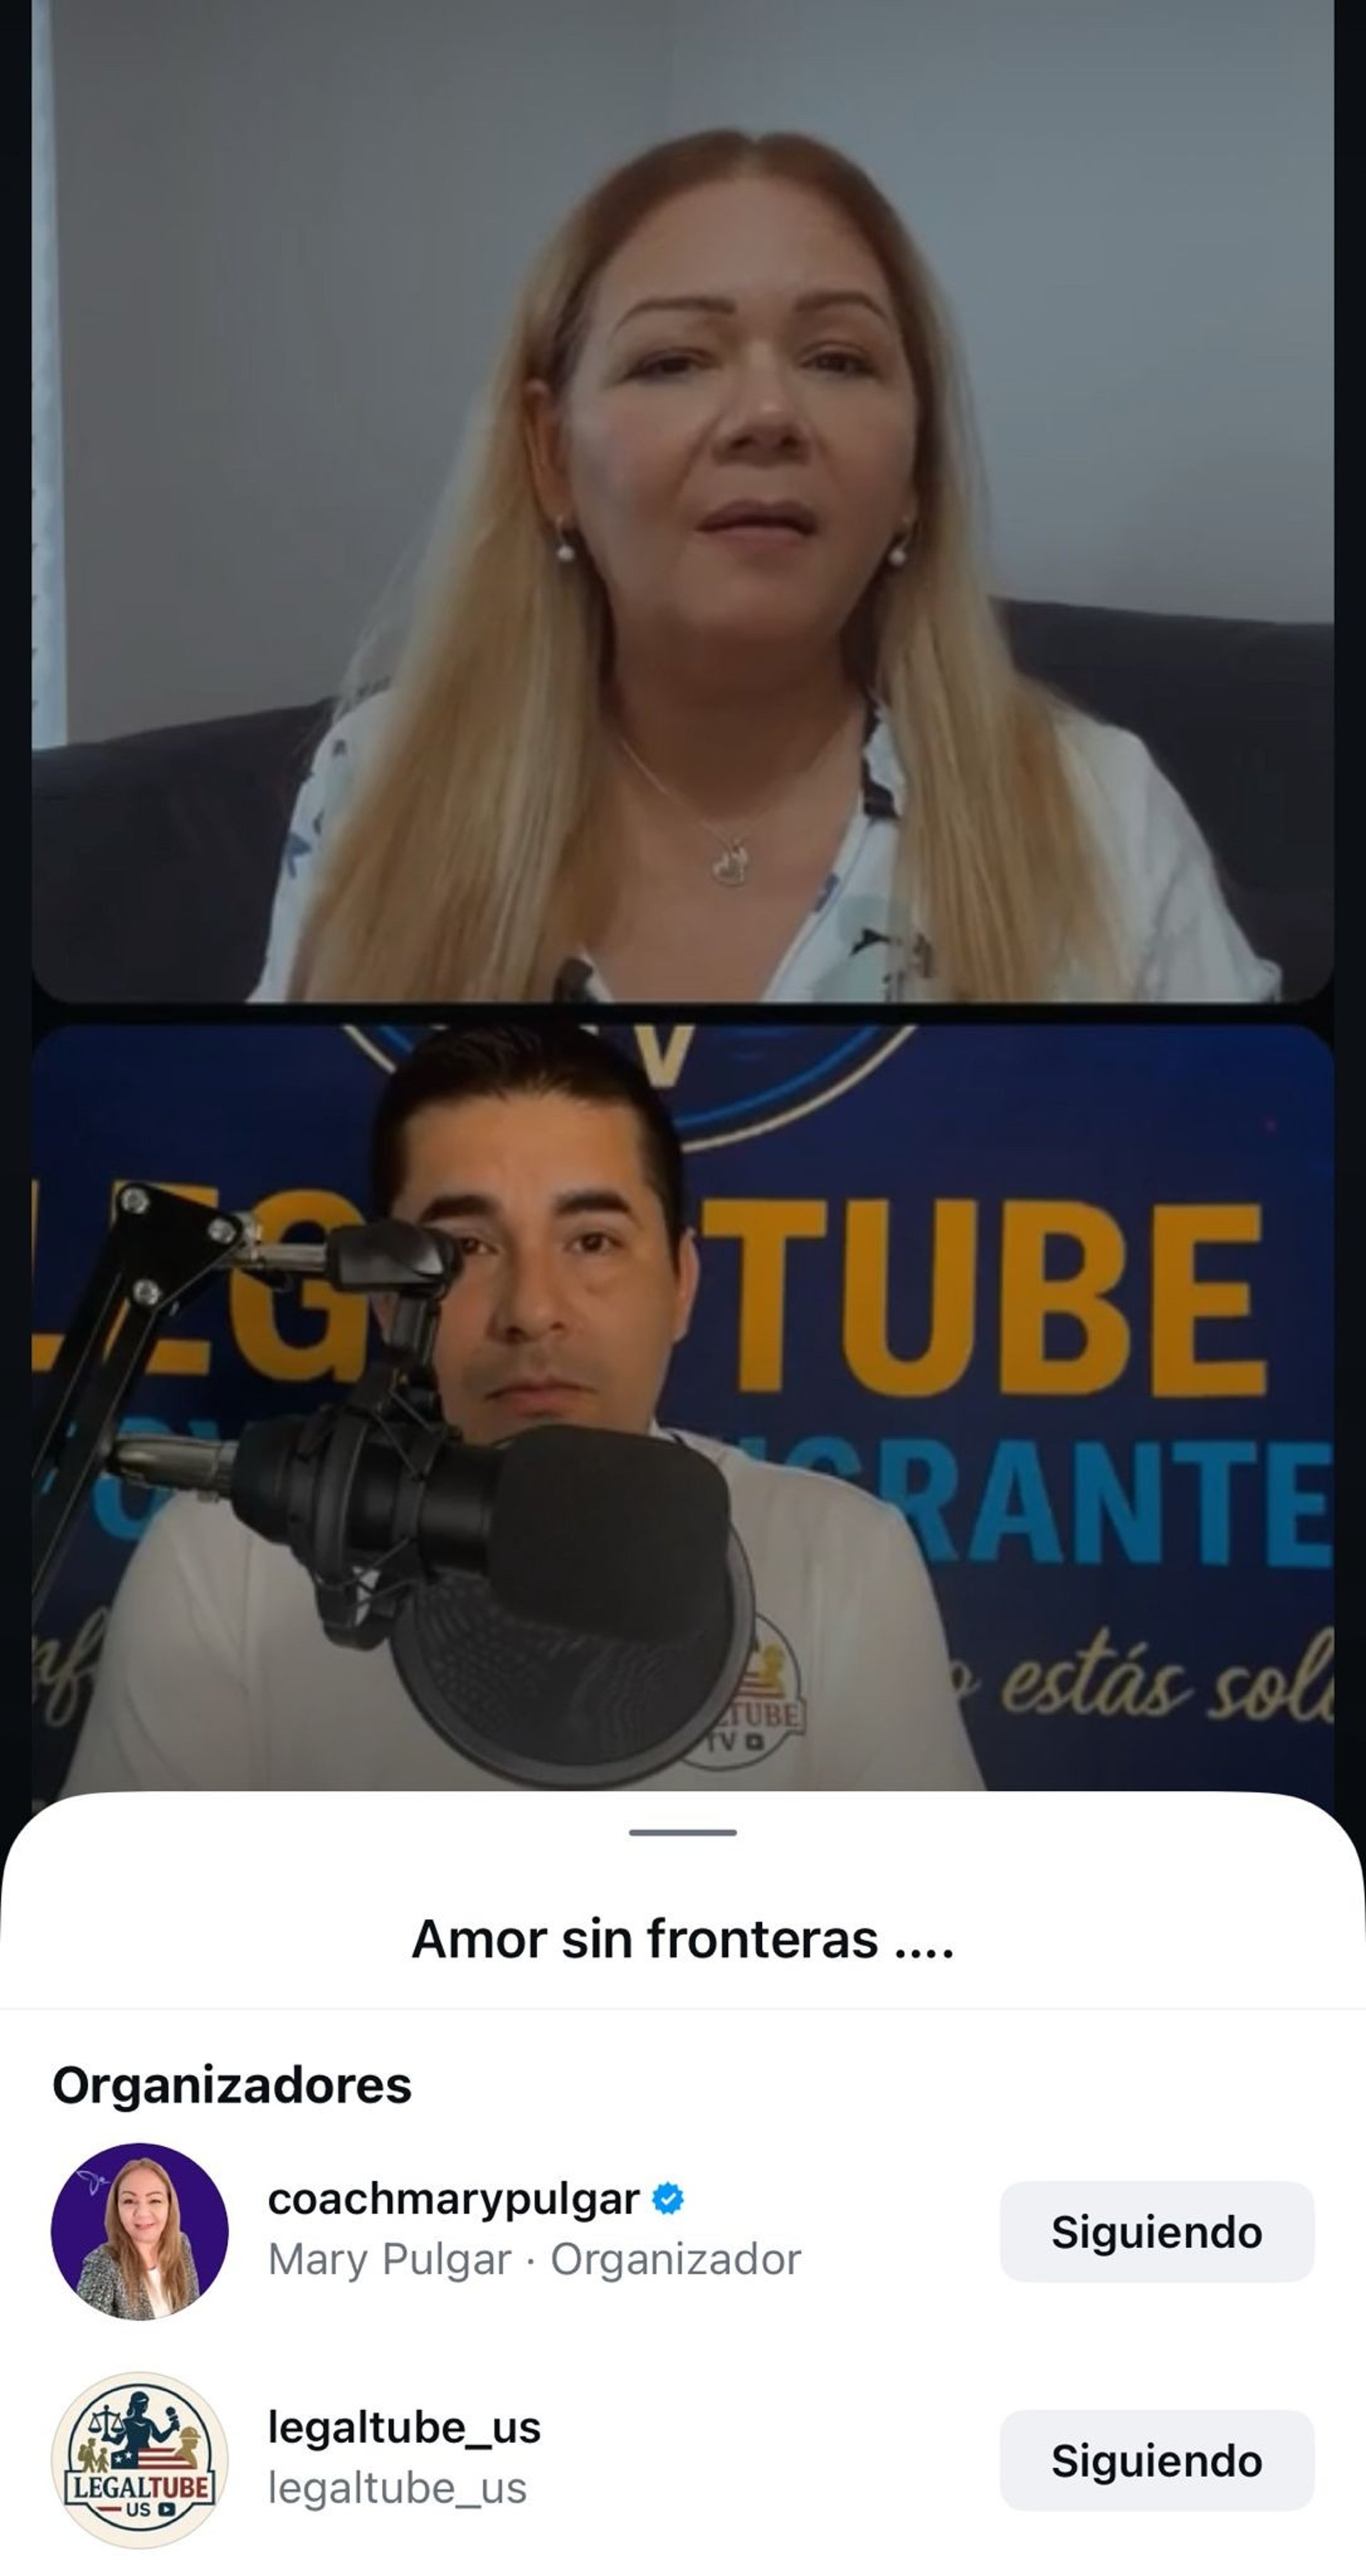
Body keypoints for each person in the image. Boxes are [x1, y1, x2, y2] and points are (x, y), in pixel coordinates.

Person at [251, 129, 1276, 1008]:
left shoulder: (1098, 814)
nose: (769, 418)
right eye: (675, 361)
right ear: (551, 454)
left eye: (838, 361)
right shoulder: (381, 790)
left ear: (916, 473)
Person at [62, 1025, 982, 1794]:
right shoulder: (226, 1562)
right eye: (465, 1246)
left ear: (681, 1284)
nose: (534, 1309)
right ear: (387, 1298)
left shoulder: (838, 1554)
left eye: (592, 1240)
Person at [74, 2159, 200, 2320]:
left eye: (155, 2200)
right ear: (117, 2208)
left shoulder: (182, 2244)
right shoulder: (102, 2264)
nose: (142, 2213)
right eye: (129, 2201)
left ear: (170, 2205)